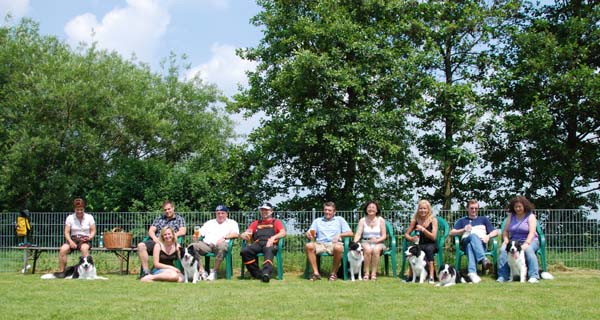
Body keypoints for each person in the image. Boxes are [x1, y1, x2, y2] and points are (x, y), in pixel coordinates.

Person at [449, 199, 498, 283]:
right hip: (465, 241)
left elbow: (495, 232)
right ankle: (483, 259)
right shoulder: (462, 221)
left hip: (481, 245)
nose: (474, 210)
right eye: (472, 208)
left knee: (470, 246)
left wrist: (488, 236)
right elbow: (451, 233)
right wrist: (463, 230)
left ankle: (472, 273)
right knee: (472, 236)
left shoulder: (484, 219)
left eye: (476, 208)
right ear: (467, 209)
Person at [137, 200, 186, 278]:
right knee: (141, 245)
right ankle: (146, 272)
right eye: (165, 210)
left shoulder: (179, 219)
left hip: (170, 242)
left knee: (181, 249)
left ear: (173, 208)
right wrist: (154, 238)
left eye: (169, 209)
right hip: (157, 242)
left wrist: (171, 236)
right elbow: (151, 230)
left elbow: (183, 231)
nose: (167, 211)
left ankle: (184, 272)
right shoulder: (159, 219)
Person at [497, 196, 541, 283]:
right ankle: (503, 276)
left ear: (524, 206)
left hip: (530, 240)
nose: (517, 208)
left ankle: (534, 275)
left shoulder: (530, 216)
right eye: (515, 207)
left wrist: (526, 243)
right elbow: (505, 231)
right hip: (514, 241)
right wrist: (506, 240)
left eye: (519, 206)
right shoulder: (511, 216)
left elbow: (532, 232)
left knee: (528, 250)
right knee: (502, 250)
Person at [306, 201, 354, 281]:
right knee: (309, 245)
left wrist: (339, 235)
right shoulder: (317, 221)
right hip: (320, 243)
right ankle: (316, 273)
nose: (327, 212)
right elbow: (310, 231)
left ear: (334, 212)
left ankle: (333, 273)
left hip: (334, 244)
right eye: (325, 210)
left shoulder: (340, 220)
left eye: (329, 210)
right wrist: (308, 234)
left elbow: (350, 233)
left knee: (339, 247)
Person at [240, 202, 286, 283]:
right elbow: (247, 232)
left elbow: (283, 233)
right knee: (245, 251)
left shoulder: (276, 222)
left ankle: (266, 273)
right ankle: (257, 274)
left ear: (271, 211)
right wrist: (243, 235)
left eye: (266, 210)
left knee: (269, 250)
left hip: (270, 244)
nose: (264, 212)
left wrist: (273, 238)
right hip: (258, 244)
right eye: (262, 210)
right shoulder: (255, 223)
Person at [192, 204, 239, 281]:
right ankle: (202, 271)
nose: (220, 215)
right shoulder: (210, 222)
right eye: (218, 213)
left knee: (222, 246)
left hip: (221, 245)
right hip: (207, 244)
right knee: (192, 246)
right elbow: (200, 232)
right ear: (215, 214)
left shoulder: (232, 223)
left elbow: (236, 234)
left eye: (222, 213)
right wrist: (196, 235)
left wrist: (224, 237)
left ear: (227, 214)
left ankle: (214, 272)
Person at [404, 199, 438, 284]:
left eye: (425, 208)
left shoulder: (433, 220)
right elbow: (406, 234)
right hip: (419, 244)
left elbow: (433, 237)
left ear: (428, 210)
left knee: (429, 250)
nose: (423, 210)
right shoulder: (415, 220)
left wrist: (423, 229)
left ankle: (431, 276)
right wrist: (412, 238)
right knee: (411, 251)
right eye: (421, 208)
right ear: (418, 209)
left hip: (431, 243)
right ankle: (411, 276)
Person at [58, 198, 96, 272]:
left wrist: (89, 237)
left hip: (85, 239)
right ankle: (61, 272)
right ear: (74, 209)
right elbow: (66, 232)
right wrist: (70, 241)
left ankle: (89, 272)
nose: (79, 211)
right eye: (77, 209)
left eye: (81, 209)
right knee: (63, 249)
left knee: (84, 249)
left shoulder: (89, 217)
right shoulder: (70, 218)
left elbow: (93, 230)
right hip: (73, 239)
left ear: (84, 209)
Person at [353, 200, 387, 280]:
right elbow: (358, 234)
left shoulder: (381, 220)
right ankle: (366, 273)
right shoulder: (362, 220)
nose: (371, 209)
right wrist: (354, 243)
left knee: (376, 250)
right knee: (367, 250)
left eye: (373, 207)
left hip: (379, 242)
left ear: (377, 210)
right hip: (365, 241)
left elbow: (384, 236)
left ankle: (374, 274)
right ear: (366, 209)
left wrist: (377, 240)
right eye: (369, 207)